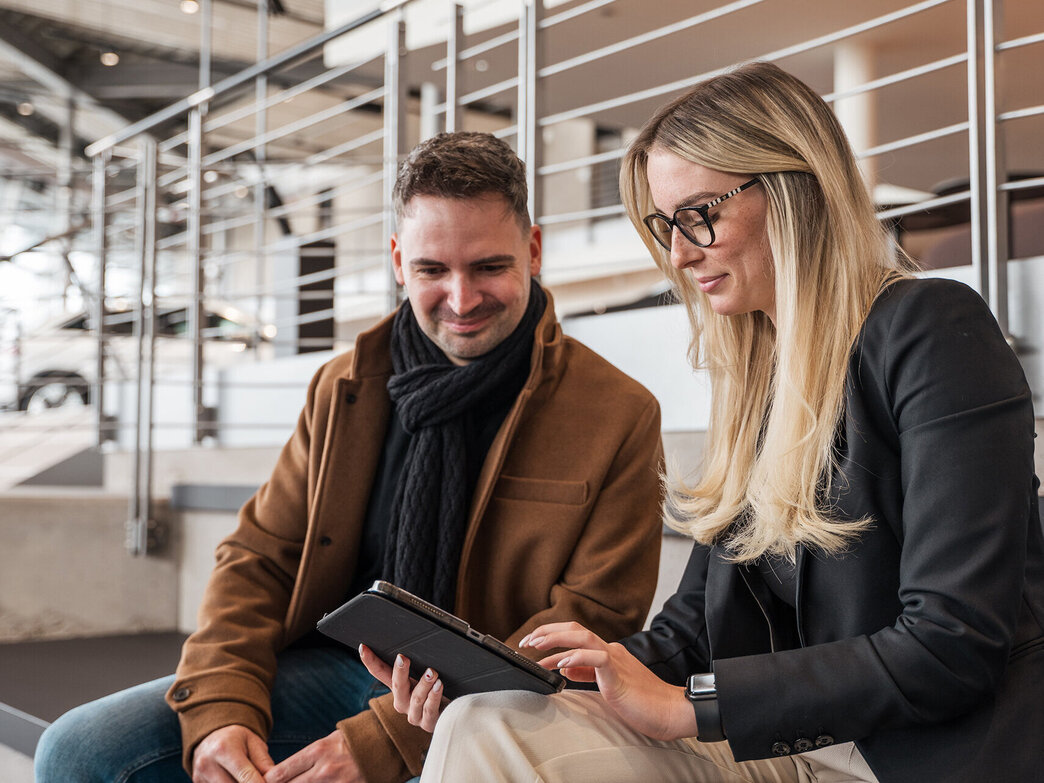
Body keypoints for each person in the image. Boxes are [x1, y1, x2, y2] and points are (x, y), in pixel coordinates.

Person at [364, 63, 1044, 783]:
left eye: (699, 214)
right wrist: (534, 675)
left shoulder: (934, 330)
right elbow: (691, 632)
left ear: (793, 186)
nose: (680, 254)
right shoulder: (763, 381)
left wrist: (694, 707)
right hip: (799, 744)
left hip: (919, 757)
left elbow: (950, 645)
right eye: (666, 226)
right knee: (487, 717)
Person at [34, 131, 665, 783]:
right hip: (335, 664)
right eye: (431, 269)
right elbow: (258, 557)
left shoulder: (618, 412)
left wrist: (386, 740)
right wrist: (224, 707)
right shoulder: (345, 386)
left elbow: (585, 623)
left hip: (486, 704)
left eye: (487, 267)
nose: (461, 297)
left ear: (532, 252)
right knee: (77, 749)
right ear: (398, 261)